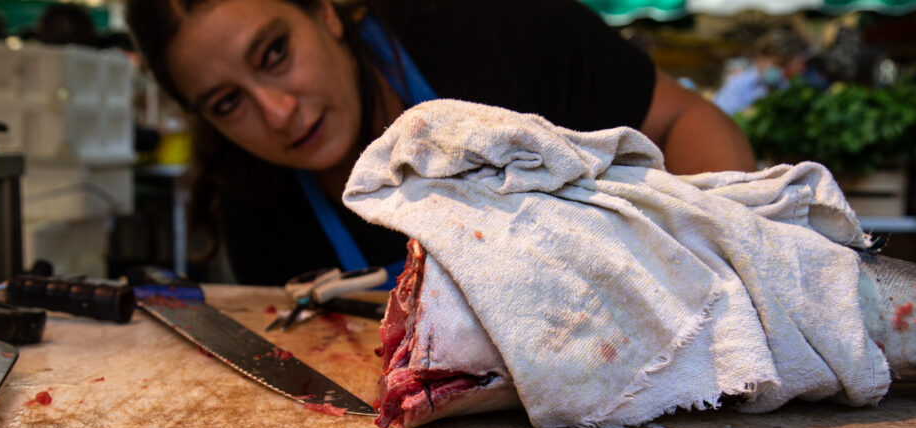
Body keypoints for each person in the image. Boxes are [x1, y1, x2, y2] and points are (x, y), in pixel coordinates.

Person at [125, 0, 757, 286]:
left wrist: (725, 267)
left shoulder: (497, 27)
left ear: (325, 12)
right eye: (228, 102)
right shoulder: (257, 206)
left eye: (274, 53)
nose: (279, 112)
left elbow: (684, 123)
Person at [713, 26, 811, 116]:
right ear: (758, 58)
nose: (781, 70)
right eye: (777, 64)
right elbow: (720, 117)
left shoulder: (785, 87)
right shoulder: (738, 84)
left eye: (784, 65)